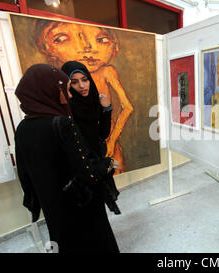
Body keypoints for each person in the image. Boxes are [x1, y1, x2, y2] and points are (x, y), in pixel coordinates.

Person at [14, 63, 120, 253]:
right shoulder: (63, 122)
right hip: (79, 197)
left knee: (66, 241)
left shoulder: (23, 128)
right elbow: (86, 172)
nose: (70, 93)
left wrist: (37, 200)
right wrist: (108, 163)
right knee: (95, 239)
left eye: (84, 80)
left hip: (53, 203)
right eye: (67, 86)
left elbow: (24, 173)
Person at [35, 21, 134, 174]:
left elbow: (124, 110)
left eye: (101, 39)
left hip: (107, 144)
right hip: (83, 154)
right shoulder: (64, 98)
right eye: (61, 39)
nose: (87, 47)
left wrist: (112, 141)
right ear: (48, 50)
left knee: (112, 175)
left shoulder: (106, 73)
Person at [61, 60, 121, 215]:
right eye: (74, 82)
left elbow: (103, 134)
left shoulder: (94, 100)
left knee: (98, 203)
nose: (82, 86)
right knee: (86, 206)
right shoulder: (65, 108)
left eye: (85, 80)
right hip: (80, 165)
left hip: (97, 159)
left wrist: (107, 109)